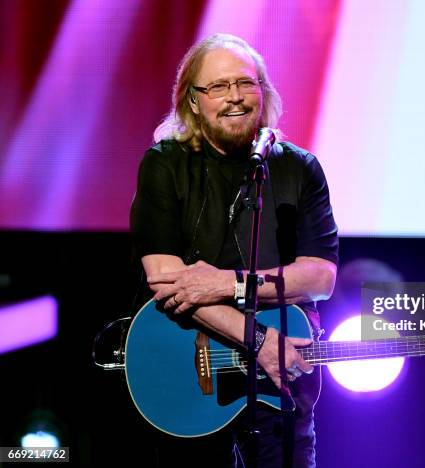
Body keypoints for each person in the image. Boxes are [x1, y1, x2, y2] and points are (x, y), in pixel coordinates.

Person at [129, 33, 338, 467]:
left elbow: (320, 277)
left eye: (246, 84)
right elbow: (166, 281)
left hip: (282, 395)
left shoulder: (299, 168)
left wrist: (226, 284)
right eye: (218, 87)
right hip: (189, 385)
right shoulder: (165, 164)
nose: (235, 98)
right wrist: (257, 339)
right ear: (192, 100)